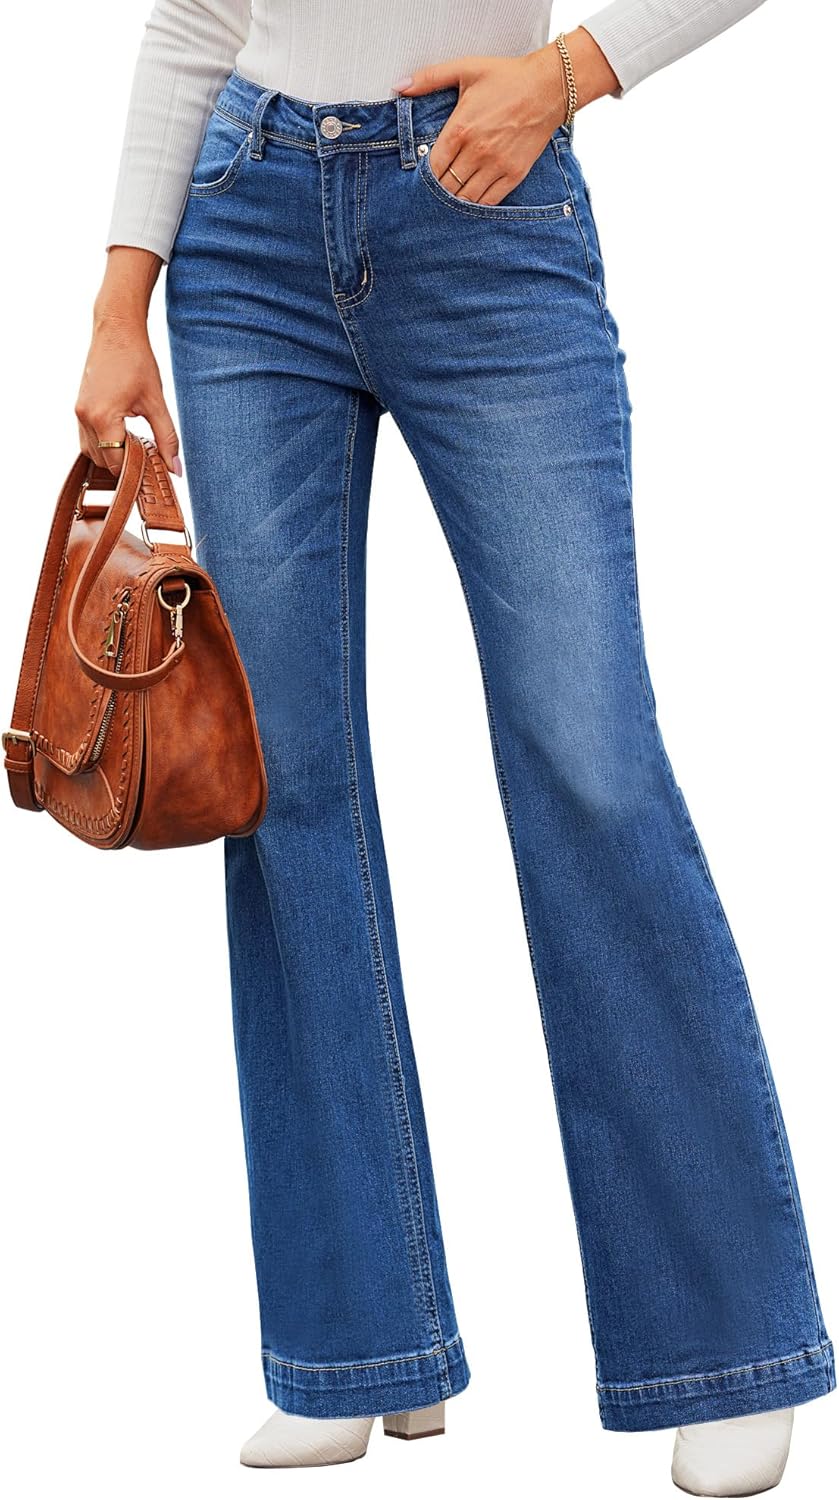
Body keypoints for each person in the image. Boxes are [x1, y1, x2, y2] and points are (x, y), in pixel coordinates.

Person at [79, 2, 834, 1491]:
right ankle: (353, 1343)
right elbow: (198, 9)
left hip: (485, 210)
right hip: (243, 229)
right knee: (282, 786)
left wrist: (571, 74)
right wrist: (120, 298)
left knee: (589, 759)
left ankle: (725, 1346)